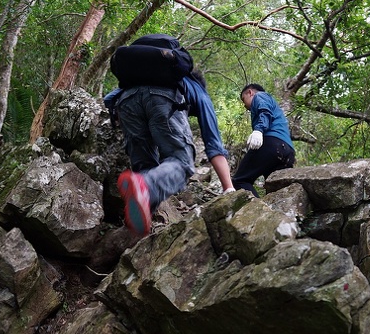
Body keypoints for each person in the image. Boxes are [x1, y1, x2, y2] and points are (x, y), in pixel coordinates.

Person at [104, 70, 234, 237]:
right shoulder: (198, 89)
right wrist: (229, 188)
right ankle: (145, 187)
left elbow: (109, 98)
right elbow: (213, 142)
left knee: (146, 167)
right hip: (162, 97)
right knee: (182, 163)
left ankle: (139, 219)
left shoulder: (143, 74)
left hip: (126, 101)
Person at [232, 83, 295, 197]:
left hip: (271, 144)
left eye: (243, 100)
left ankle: (256, 208)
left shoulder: (260, 96)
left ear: (250, 93)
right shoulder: (275, 107)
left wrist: (259, 130)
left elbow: (265, 111)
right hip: (288, 151)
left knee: (240, 180)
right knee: (275, 189)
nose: (244, 106)